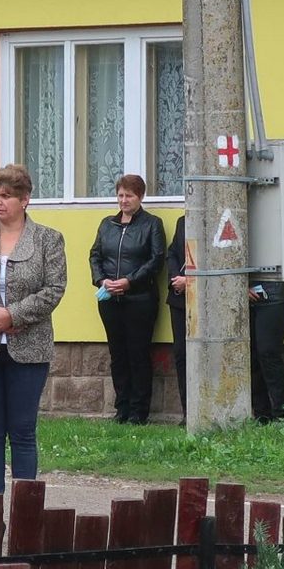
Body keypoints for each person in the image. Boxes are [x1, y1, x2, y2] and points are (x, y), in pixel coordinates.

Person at [0, 164, 67, 493]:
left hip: (29, 349)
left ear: (25, 200)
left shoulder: (48, 239)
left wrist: (13, 315)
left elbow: (54, 289)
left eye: (7, 195)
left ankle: (25, 513)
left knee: (22, 431)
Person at [89, 173, 166, 424]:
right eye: (120, 195)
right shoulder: (106, 224)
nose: (124, 200)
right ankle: (121, 408)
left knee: (138, 354)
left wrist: (129, 281)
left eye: (129, 195)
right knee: (117, 354)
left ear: (140, 197)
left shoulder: (151, 224)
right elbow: (95, 255)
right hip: (110, 299)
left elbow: (156, 260)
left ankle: (138, 411)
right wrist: (102, 281)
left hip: (140, 300)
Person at [251, 278, 284, 424]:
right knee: (252, 359)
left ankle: (282, 417)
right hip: (247, 297)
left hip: (274, 297)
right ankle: (262, 417)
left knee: (268, 354)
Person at [166, 213, 192, 418]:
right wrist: (177, 278)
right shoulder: (182, 221)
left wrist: (190, 281)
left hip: (205, 301)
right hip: (179, 299)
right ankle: (187, 413)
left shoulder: (215, 219)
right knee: (182, 355)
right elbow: (173, 253)